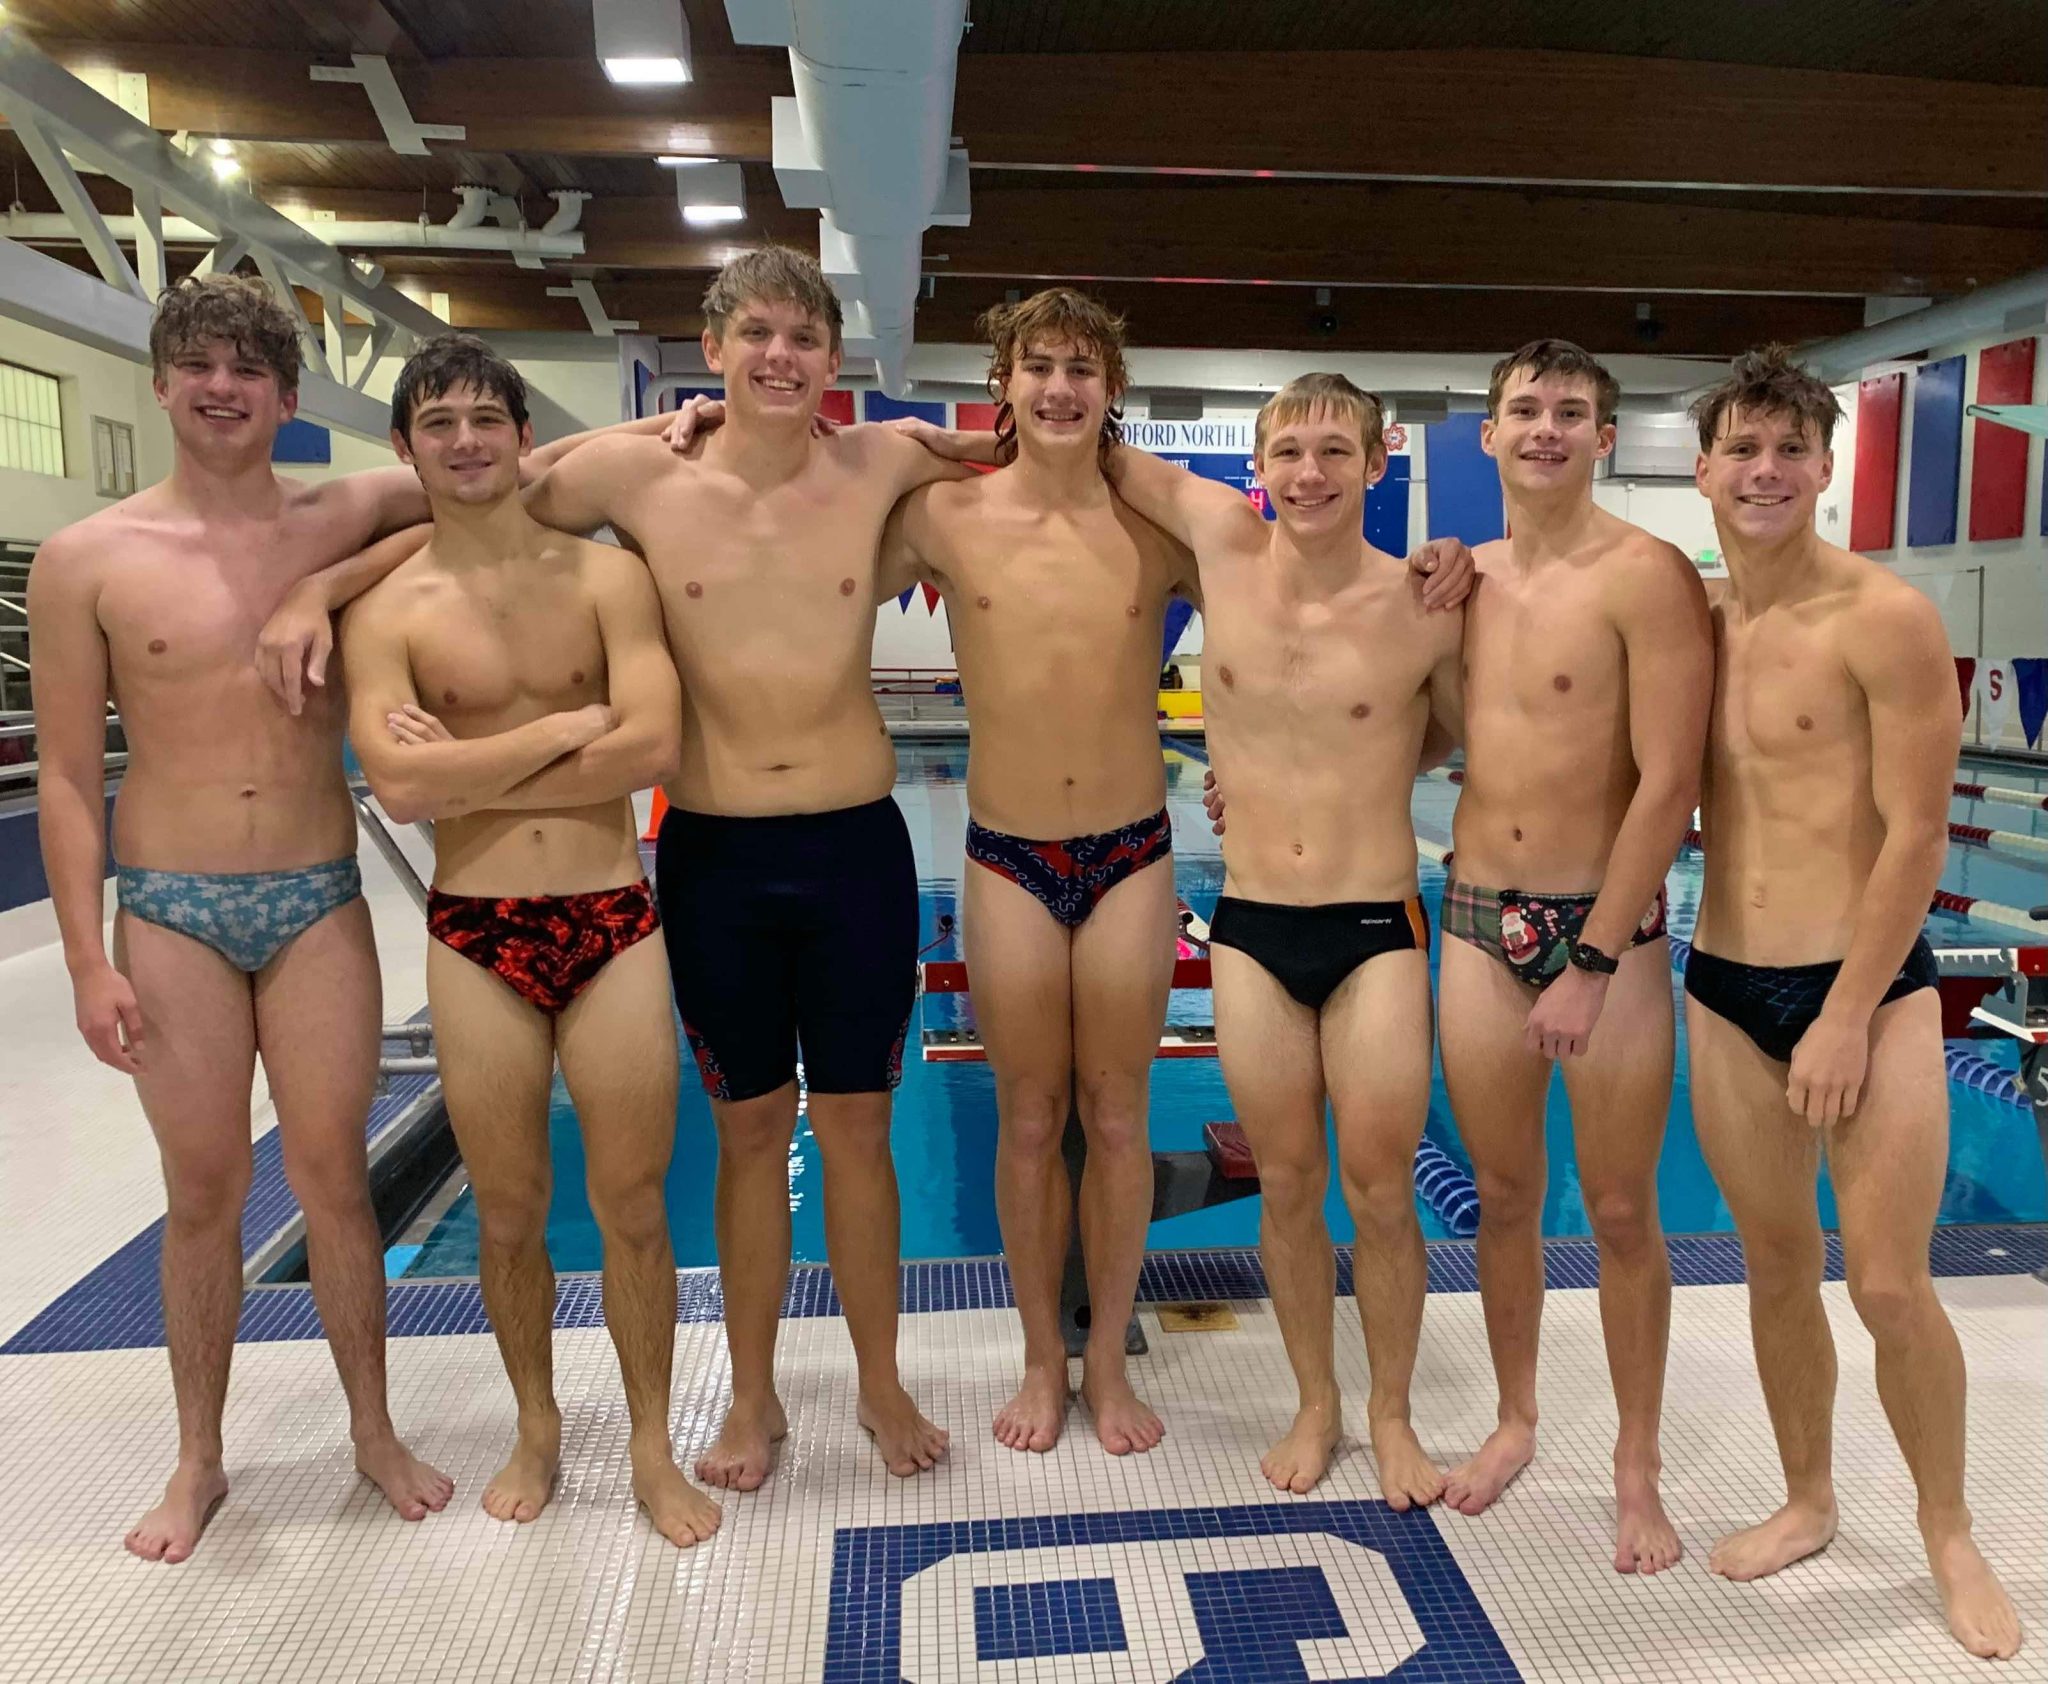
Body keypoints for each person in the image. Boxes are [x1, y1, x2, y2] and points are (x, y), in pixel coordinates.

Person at [263, 247, 979, 1490]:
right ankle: (749, 1397)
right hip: (713, 851)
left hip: (855, 844)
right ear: (714, 348)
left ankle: (879, 1381)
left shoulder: (882, 460)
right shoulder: (635, 474)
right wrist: (318, 586)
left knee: (859, 1132)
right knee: (748, 1136)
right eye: (755, 333)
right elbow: (467, 510)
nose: (778, 357)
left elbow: (1033, 460)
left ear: (832, 357)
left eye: (802, 338)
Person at [872, 295, 1472, 1458]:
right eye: (1037, 367)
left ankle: (1105, 1363)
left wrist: (1446, 560)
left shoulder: (1161, 533)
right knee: (1028, 1117)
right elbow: (813, 563)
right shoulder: (944, 514)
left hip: (1132, 849)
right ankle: (1040, 1358)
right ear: (1002, 382)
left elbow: (1306, 636)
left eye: (1080, 369)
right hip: (1003, 849)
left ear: (1112, 390)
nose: (1058, 388)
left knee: (1116, 1113)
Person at [28, 273, 451, 1563]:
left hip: (317, 895)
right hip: (172, 907)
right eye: (201, 365)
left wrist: (326, 587)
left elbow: (501, 479)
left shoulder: (341, 512)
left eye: (249, 369)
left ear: (286, 396)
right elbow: (66, 774)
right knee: (204, 1188)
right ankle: (199, 1456)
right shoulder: (85, 559)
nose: (223, 388)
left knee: (333, 1177)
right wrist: (87, 958)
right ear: (161, 382)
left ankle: (372, 1430)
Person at [339, 334, 717, 1547]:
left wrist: (465, 766)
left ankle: (650, 1440)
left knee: (634, 1203)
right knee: (506, 1211)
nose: (464, 441)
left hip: (611, 920)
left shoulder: (608, 579)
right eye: (437, 422)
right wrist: (561, 731)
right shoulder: (384, 608)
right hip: (476, 935)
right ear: (405, 448)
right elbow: (402, 787)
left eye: (484, 419)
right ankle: (537, 1424)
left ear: (520, 437)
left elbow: (651, 747)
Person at [1683, 346, 2021, 1659]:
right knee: (1775, 1266)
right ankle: (1808, 1498)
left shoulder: (1884, 618)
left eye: (1789, 450)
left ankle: (1947, 1530)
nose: (1764, 471)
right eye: (1742, 448)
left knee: (1885, 1282)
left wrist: (1842, 1014)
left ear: (1825, 468)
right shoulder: (1691, 622)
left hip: (1865, 992)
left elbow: (1920, 835)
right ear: (1703, 468)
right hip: (1723, 984)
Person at [1104, 373, 1463, 1502]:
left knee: (1382, 1186)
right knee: (1290, 1181)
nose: (1310, 474)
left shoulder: (1422, 600)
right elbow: (1081, 438)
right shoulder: (1219, 544)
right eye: (1289, 453)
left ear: (1376, 463)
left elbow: (1448, 730)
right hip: (1252, 925)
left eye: (1334, 452)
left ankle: (1392, 1412)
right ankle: (1316, 1402)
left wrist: (1360, 762)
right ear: (1257, 468)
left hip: (1375, 925)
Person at [1436, 340, 1712, 1573]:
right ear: (1487, 434)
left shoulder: (1645, 574)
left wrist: (1592, 959)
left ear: (1603, 438)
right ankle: (1514, 1418)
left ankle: (1634, 1463)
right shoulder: (1463, 578)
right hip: (1472, 921)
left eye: (1568, 412)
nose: (1542, 429)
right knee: (1500, 1195)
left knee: (1616, 1206)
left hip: (1607, 934)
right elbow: (1403, 724)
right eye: (1523, 410)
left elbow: (1670, 780)